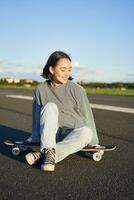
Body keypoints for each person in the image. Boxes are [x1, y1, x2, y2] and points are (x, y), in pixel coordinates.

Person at [25, 51, 99, 172]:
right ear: (52, 69)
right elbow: (37, 115)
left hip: (72, 133)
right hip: (50, 134)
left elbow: (87, 115)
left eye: (69, 69)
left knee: (86, 132)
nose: (67, 74)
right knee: (50, 107)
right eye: (63, 69)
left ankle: (44, 155)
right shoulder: (40, 89)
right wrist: (35, 137)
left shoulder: (77, 90)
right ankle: (48, 153)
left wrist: (94, 142)